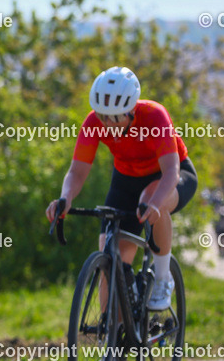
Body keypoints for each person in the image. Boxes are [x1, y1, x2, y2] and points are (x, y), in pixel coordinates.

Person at [46, 66, 199, 311]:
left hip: (171, 176)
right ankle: (113, 337)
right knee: (110, 255)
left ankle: (162, 278)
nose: (106, 123)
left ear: (131, 109)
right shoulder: (94, 122)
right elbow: (76, 171)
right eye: (101, 115)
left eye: (114, 117)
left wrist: (155, 205)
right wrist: (65, 198)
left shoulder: (154, 116)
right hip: (125, 180)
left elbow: (172, 172)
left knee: (150, 197)